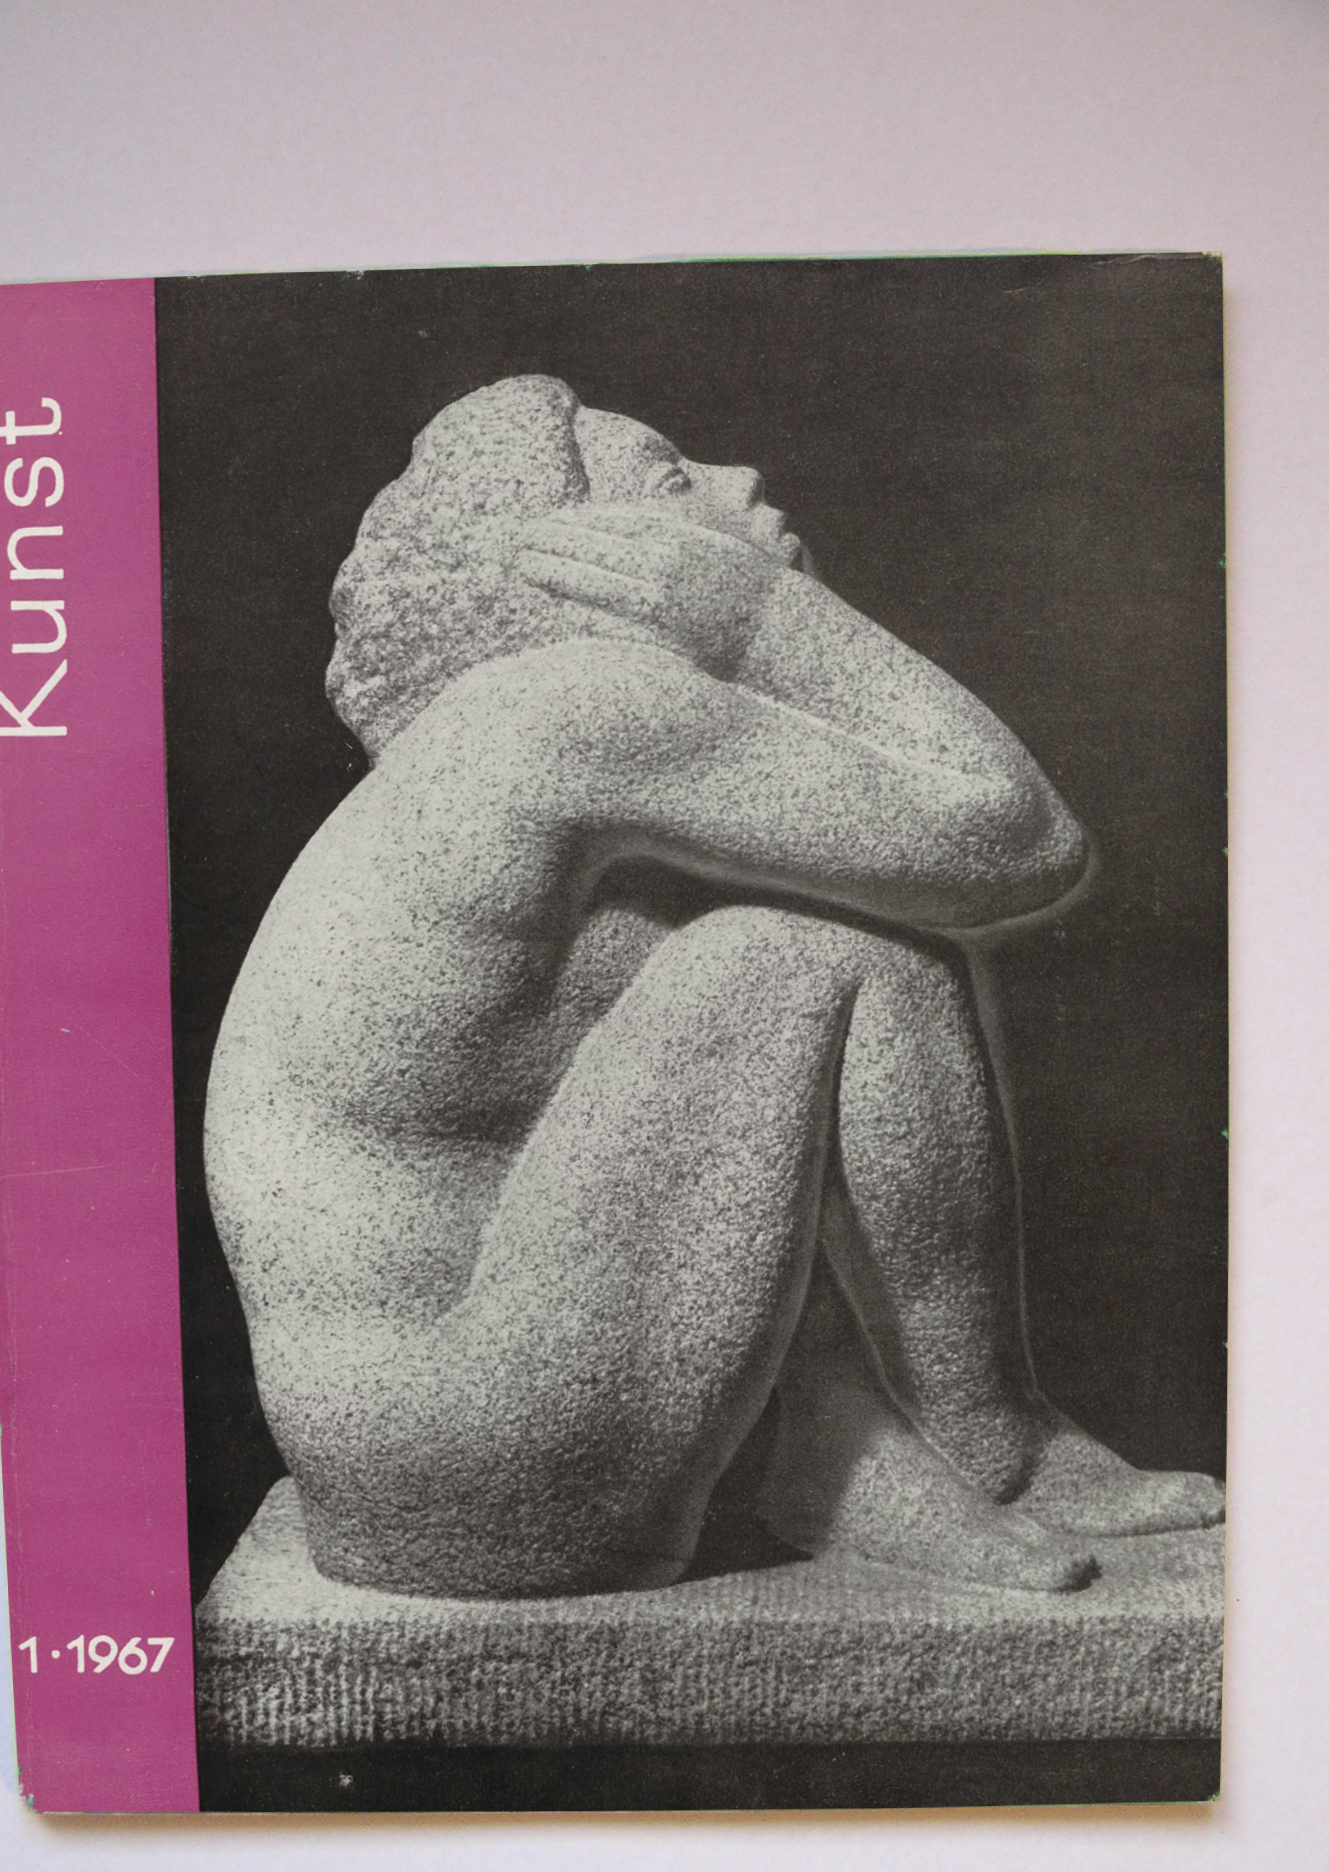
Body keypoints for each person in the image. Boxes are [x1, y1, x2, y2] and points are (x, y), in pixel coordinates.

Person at [205, 375, 1224, 1599]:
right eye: (670, 475)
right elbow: (1017, 835)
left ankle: (854, 1453)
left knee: (806, 943)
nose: (742, 481)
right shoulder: (563, 712)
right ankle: (992, 1443)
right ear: (584, 561)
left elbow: (725, 1135)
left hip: (420, 1457)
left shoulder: (499, 767)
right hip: (478, 1446)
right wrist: (771, 623)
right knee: (833, 950)